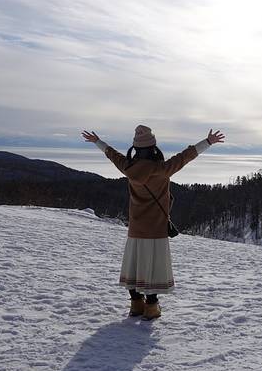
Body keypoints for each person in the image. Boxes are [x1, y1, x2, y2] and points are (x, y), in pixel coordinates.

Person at [82, 125, 225, 320]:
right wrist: (208, 141)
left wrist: (97, 141)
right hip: (156, 229)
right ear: (153, 148)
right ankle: (151, 307)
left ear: (135, 148)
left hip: (136, 228)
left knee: (134, 266)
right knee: (153, 268)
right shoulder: (163, 169)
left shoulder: (128, 167)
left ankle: (136, 305)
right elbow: (186, 156)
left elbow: (112, 154)